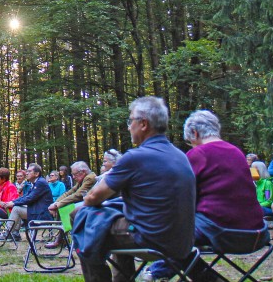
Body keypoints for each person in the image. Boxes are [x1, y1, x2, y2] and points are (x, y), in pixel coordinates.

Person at [74, 96, 196, 282]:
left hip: (151, 237)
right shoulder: (181, 156)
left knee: (81, 216)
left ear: (144, 124)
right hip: (182, 238)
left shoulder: (135, 158)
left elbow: (92, 197)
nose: (129, 126)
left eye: (130, 121)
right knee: (111, 220)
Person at [146, 110, 269, 281]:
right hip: (256, 232)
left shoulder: (199, 154)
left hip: (222, 232)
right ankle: (164, 271)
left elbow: (178, 196)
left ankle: (157, 271)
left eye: (190, 142)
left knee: (169, 230)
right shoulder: (236, 152)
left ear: (195, 133)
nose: (192, 146)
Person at [5, 163, 53, 241]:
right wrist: (12, 202)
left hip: (42, 213)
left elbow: (30, 198)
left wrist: (13, 203)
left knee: (17, 209)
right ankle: (14, 233)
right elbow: (25, 196)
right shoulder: (35, 183)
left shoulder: (40, 182)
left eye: (30, 171)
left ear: (36, 174)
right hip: (36, 210)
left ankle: (8, 233)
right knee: (17, 207)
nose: (27, 173)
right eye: (27, 171)